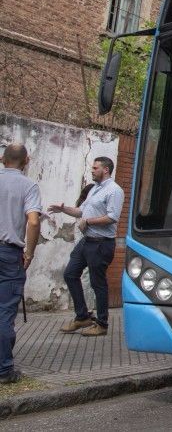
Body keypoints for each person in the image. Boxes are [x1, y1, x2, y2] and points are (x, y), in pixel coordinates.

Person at [48, 157, 124, 336]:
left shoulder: (114, 191)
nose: (92, 170)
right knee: (70, 274)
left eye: (95, 168)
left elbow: (112, 217)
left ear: (105, 170)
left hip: (101, 243)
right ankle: (82, 317)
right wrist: (64, 209)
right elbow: (81, 211)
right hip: (87, 241)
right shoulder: (95, 190)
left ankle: (102, 324)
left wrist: (88, 222)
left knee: (98, 284)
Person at [0, 143, 42, 384]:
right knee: (5, 312)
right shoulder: (28, 186)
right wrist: (30, 252)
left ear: (2, 159)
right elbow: (34, 222)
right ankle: (4, 370)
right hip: (8, 253)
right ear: (26, 161)